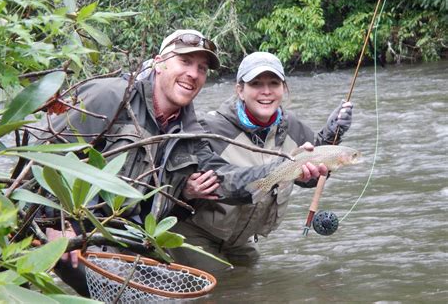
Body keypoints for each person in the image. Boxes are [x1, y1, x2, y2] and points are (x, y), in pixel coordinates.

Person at [40, 31, 328, 295]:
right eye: (185, 62)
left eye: (201, 68)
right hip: (67, 233)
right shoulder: (111, 95)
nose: (193, 74)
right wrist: (55, 224)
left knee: (191, 298)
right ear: (159, 63)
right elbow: (43, 152)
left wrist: (286, 168)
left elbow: (224, 179)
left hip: (128, 240)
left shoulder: (190, 131)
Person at [169, 52, 353, 272]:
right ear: (240, 90)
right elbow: (178, 185)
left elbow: (309, 178)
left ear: (283, 88)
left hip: (241, 241)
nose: (266, 92)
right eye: (256, 83)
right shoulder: (209, 128)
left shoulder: (293, 127)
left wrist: (332, 134)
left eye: (273, 83)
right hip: (196, 234)